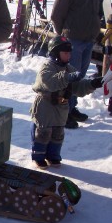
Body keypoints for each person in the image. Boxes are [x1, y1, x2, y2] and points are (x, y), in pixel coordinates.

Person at [30, 36, 103, 169]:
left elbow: (78, 87)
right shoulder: (47, 66)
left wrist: (92, 84)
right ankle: (39, 156)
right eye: (65, 53)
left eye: (69, 53)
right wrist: (68, 77)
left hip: (61, 106)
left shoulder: (69, 68)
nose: (69, 55)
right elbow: (48, 82)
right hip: (46, 105)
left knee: (58, 133)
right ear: (55, 53)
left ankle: (53, 156)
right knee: (43, 132)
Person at [51, 0, 101, 129]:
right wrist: (62, 39)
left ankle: (71, 108)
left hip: (88, 41)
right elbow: (56, 15)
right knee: (68, 79)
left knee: (78, 78)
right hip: (72, 42)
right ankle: (62, 113)